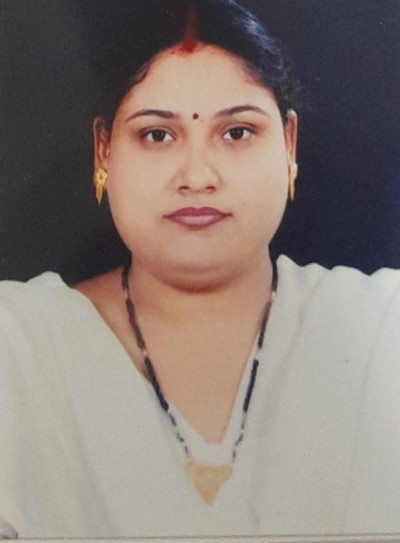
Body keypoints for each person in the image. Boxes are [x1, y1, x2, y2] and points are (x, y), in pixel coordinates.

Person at [0, 0, 400, 538]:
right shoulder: (18, 346)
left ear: (289, 144)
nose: (197, 176)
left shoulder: (380, 328)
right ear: (103, 152)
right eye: (157, 135)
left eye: (236, 132)